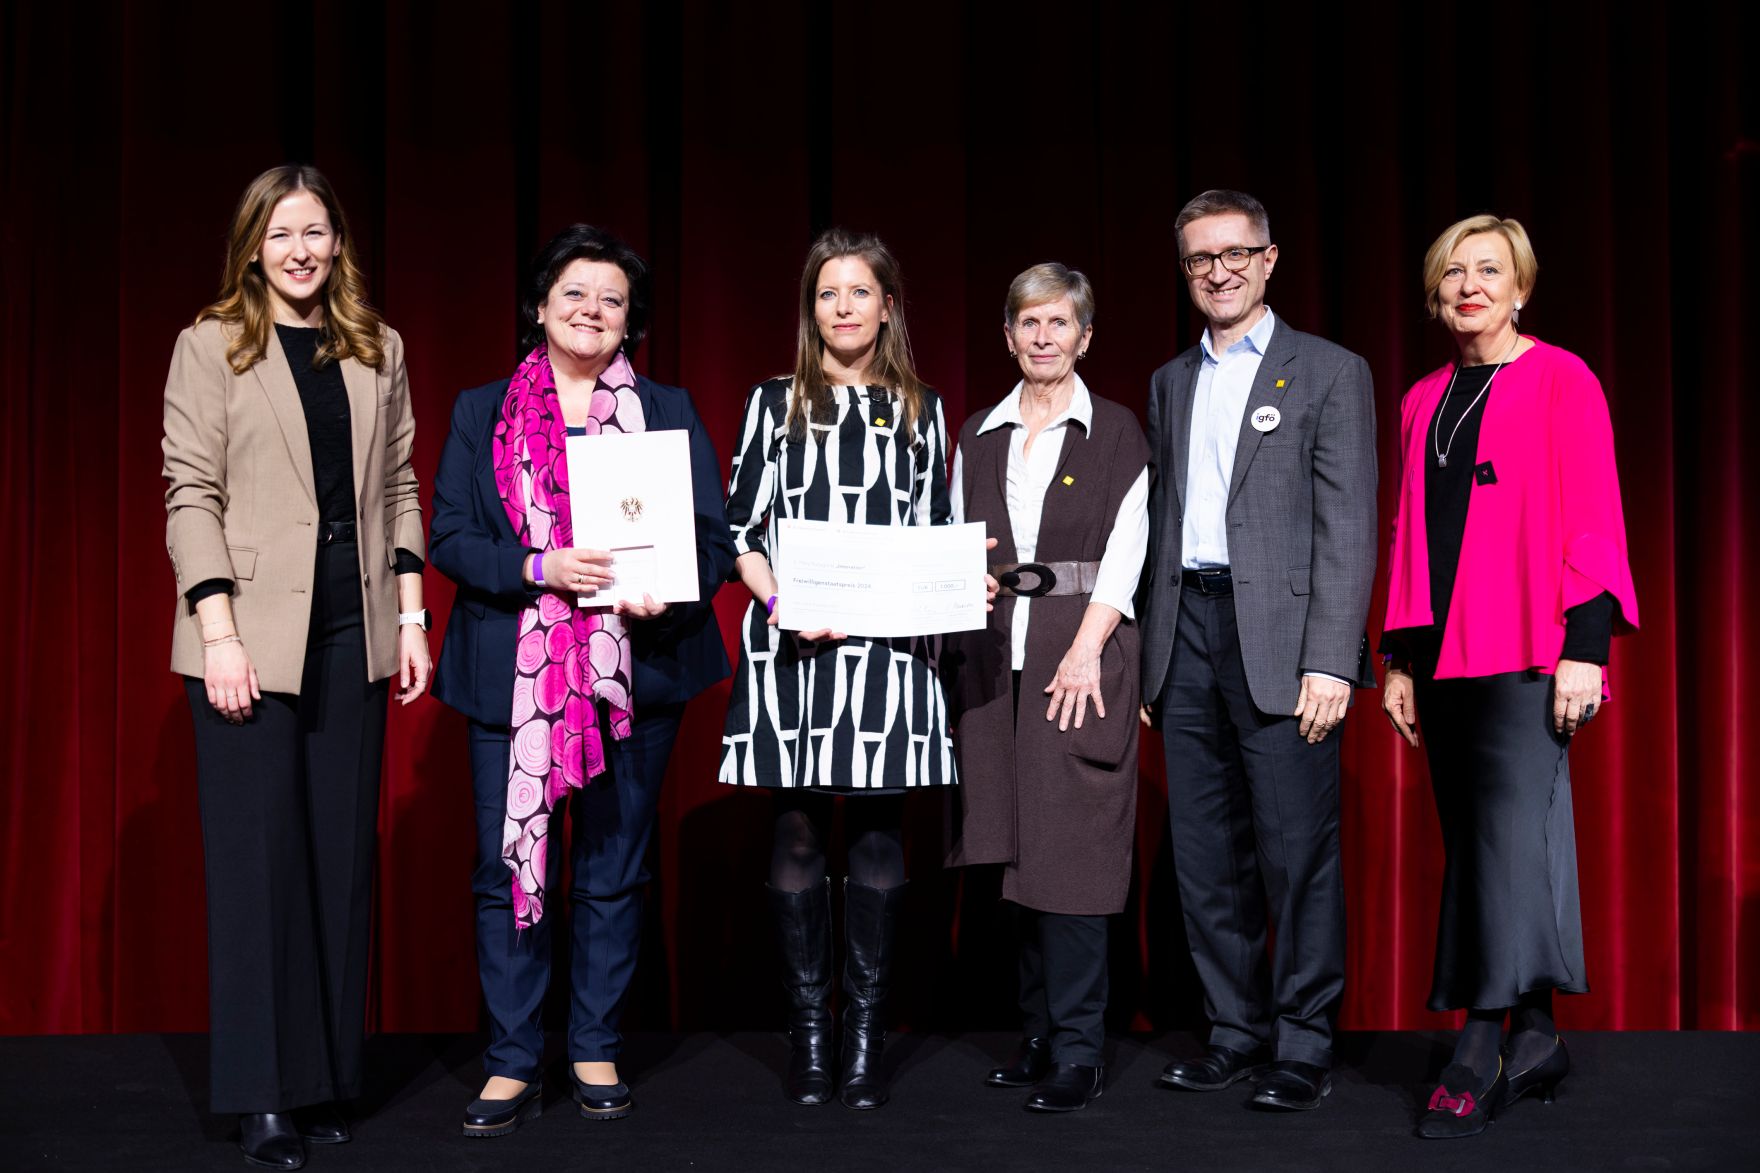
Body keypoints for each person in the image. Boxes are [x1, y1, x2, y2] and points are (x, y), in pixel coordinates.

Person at [428, 224, 735, 1136]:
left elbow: (712, 543)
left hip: (634, 673)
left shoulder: (669, 410)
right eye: (575, 294)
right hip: (509, 675)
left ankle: (593, 1042)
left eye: (611, 299)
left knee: (611, 866)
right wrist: (539, 567)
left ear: (628, 320)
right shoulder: (482, 410)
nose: (592, 311)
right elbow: (449, 535)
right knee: (506, 864)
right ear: (540, 307)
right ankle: (514, 1056)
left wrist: (662, 596)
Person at [161, 164, 429, 1170]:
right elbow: (190, 493)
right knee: (257, 868)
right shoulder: (210, 345)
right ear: (253, 248)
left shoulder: (378, 348)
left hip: (350, 631)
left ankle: (320, 1080)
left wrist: (410, 616)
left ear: (337, 242)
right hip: (248, 639)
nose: (301, 251)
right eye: (280, 236)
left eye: (314, 232)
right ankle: (263, 1093)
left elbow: (399, 483)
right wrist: (218, 633)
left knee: (334, 864)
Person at [1380, 214, 1638, 1139]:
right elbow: (1412, 531)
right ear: (1436, 292)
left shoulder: (1562, 377)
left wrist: (1588, 644)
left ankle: (1475, 1042)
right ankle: (1537, 1035)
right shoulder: (1422, 398)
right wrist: (1399, 660)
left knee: (1501, 838)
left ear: (1521, 286)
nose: (1470, 285)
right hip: (1442, 654)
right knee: (1488, 846)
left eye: (1489, 270)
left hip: (1531, 648)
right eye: (1454, 272)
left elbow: (1596, 514)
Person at [1139, 189, 1378, 1111]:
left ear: (1270, 260)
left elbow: (1349, 526)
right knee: (1206, 855)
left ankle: (1304, 1040)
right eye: (1202, 259)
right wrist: (1156, 653)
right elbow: (1163, 522)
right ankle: (1234, 1031)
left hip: (1283, 643)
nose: (1220, 271)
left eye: (1236, 253)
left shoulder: (1326, 371)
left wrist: (1333, 658)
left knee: (1295, 853)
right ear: (1187, 270)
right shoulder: (1171, 381)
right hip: (1188, 632)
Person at [719, 227, 956, 1111]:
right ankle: (810, 1037)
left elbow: (935, 530)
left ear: (888, 306)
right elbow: (740, 533)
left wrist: (953, 576)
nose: (844, 307)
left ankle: (865, 1037)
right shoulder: (772, 402)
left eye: (860, 292)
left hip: (888, 651)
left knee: (881, 838)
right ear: (811, 307)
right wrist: (783, 603)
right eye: (828, 293)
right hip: (796, 642)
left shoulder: (923, 410)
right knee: (798, 835)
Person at [945, 264, 1149, 1113]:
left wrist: (1086, 649)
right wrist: (969, 582)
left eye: (1058, 322)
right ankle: (1035, 1034)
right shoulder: (979, 435)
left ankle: (1079, 1046)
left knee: (1074, 859)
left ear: (1085, 336)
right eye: (1028, 322)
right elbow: (954, 541)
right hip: (996, 666)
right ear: (1008, 334)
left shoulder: (1116, 432)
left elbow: (1130, 549)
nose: (1042, 336)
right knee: (1016, 851)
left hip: (1080, 658)